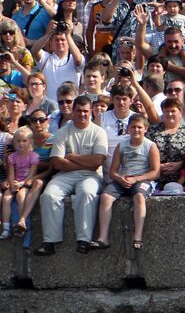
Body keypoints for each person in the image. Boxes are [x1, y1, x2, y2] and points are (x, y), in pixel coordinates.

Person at [34, 94, 108, 255]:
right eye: (79, 111)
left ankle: (84, 239)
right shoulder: (63, 132)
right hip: (65, 174)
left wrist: (73, 157)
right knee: (49, 195)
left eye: (86, 111)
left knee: (87, 192)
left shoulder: (98, 132)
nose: (82, 114)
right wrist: (84, 162)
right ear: (73, 111)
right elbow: (57, 162)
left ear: (91, 112)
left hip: (91, 175)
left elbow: (98, 161)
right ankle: (50, 241)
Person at [92, 112, 159, 251]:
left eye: (140, 127)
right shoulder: (121, 145)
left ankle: (138, 237)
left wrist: (136, 179)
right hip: (124, 179)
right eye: (133, 127)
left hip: (142, 179)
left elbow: (155, 172)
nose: (136, 130)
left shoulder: (150, 146)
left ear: (145, 129)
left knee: (139, 197)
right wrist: (119, 178)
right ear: (128, 129)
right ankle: (103, 237)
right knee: (105, 197)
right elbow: (113, 170)